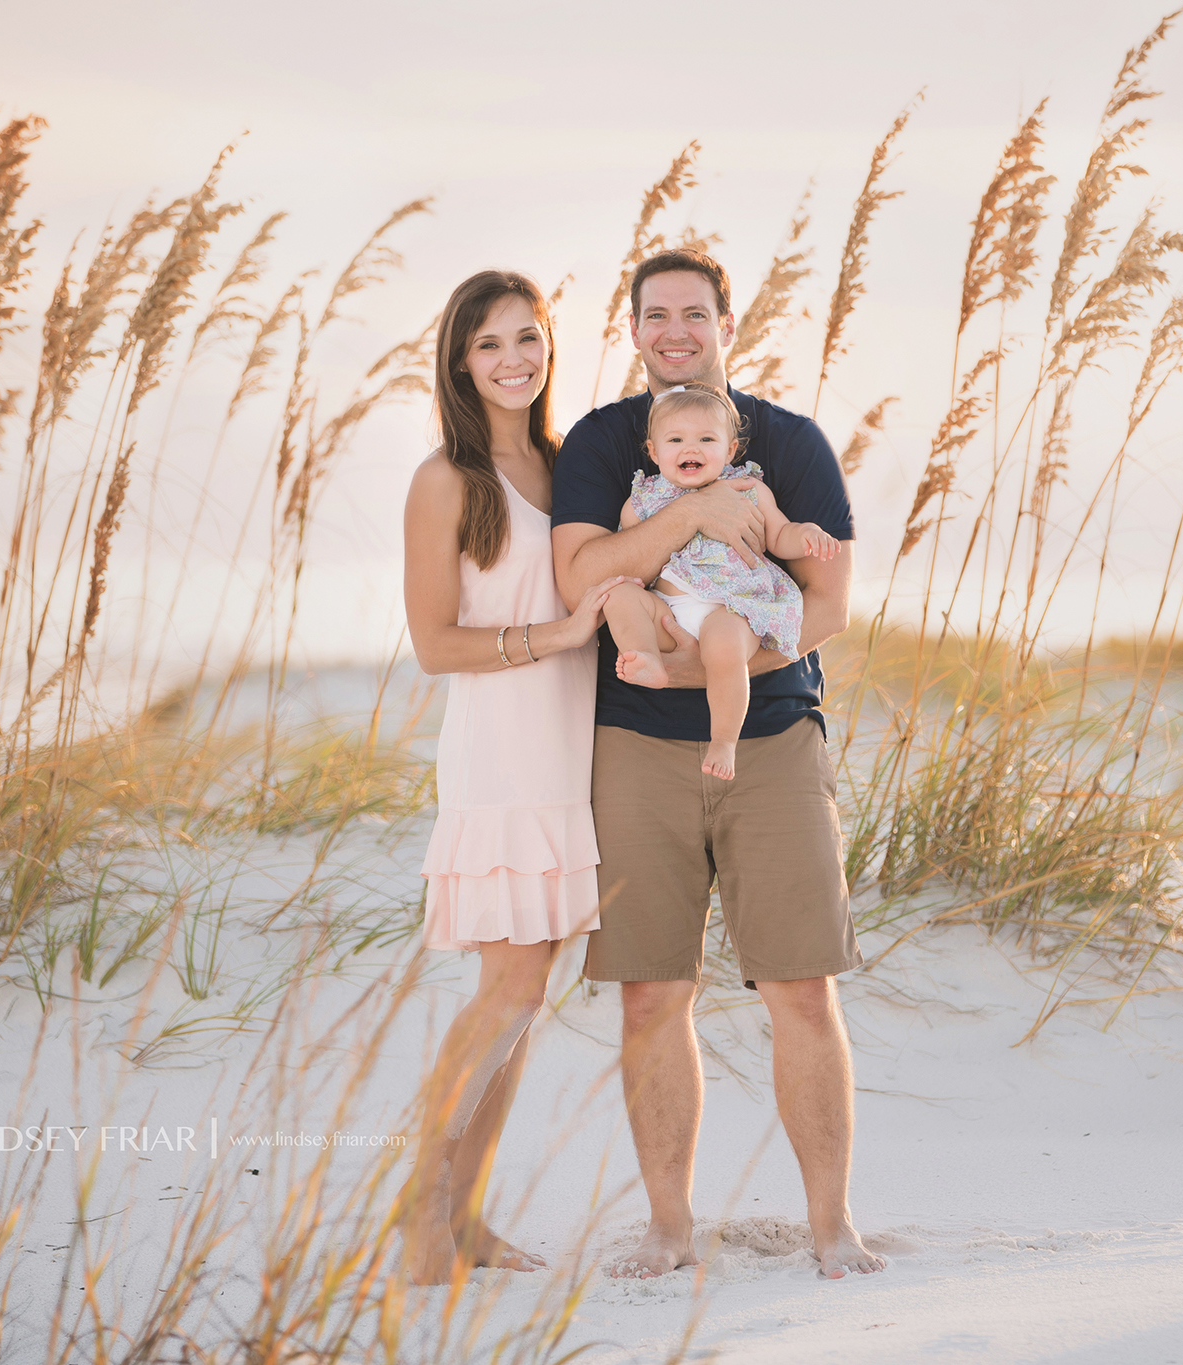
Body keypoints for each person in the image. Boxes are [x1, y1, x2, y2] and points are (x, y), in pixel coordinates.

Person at [550, 248, 885, 1280]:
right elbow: (579, 574)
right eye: (655, 315)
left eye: (693, 314)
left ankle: (831, 1225)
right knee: (650, 994)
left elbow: (826, 604)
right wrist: (688, 516)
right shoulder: (606, 443)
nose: (673, 331)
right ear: (634, 327)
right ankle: (668, 1227)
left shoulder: (786, 441)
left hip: (775, 734)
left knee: (799, 986)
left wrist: (706, 670)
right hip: (634, 748)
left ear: (727, 324)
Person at [400, 268, 634, 1285]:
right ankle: (417, 1223)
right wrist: (558, 631)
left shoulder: (568, 465)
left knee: (524, 997)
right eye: (490, 343)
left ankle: (469, 1217)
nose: (512, 360)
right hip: (499, 762)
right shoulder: (445, 480)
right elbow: (434, 644)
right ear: (460, 360)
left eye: (527, 339)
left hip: (568, 755)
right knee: (505, 989)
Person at [603, 381, 840, 780]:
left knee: (726, 649)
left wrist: (807, 535)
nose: (690, 448)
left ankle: (724, 741)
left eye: (706, 439)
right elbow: (630, 554)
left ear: (730, 449)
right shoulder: (642, 499)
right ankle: (646, 658)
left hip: (731, 607)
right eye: (675, 439)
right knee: (618, 596)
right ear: (654, 451)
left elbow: (780, 536)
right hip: (669, 611)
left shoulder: (748, 490)